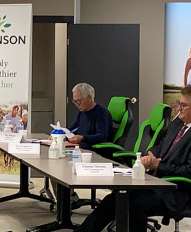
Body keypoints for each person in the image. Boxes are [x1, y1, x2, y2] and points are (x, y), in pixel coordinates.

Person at [75, 86, 191, 232]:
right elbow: (160, 146)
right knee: (114, 199)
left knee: (131, 204)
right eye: (178, 103)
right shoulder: (178, 124)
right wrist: (150, 156)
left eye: (183, 105)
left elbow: (188, 171)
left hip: (177, 190)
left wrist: (158, 166)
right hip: (157, 181)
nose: (178, 108)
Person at [68, 83, 113, 149]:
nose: (76, 105)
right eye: (75, 101)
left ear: (89, 97)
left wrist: (83, 138)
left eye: (79, 101)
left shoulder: (101, 113)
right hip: (81, 147)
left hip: (95, 150)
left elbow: (102, 136)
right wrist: (60, 135)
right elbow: (72, 129)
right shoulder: (82, 112)